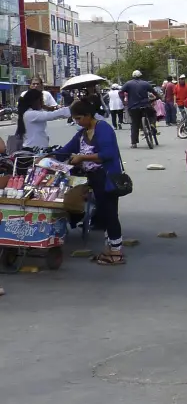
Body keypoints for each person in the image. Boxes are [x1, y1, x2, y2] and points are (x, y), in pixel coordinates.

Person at [59, 99, 126, 265]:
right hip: (95, 179)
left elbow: (107, 154)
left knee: (110, 213)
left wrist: (82, 157)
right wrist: (49, 156)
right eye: (75, 119)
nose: (77, 122)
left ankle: (116, 253)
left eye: (79, 118)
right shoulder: (82, 132)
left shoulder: (103, 128)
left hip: (108, 177)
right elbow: (66, 149)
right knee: (104, 213)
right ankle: (109, 249)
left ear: (88, 115)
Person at [122, 70, 154, 148]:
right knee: (152, 114)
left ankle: (134, 143)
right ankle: (152, 126)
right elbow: (153, 91)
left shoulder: (128, 84)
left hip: (133, 107)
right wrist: (158, 97)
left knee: (134, 124)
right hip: (145, 105)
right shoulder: (145, 83)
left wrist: (123, 100)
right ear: (141, 76)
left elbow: (121, 92)